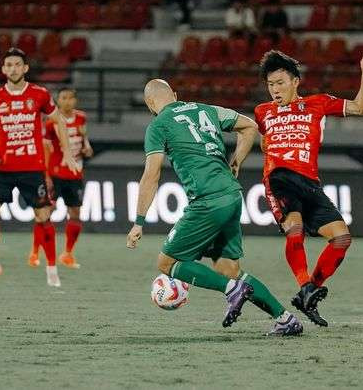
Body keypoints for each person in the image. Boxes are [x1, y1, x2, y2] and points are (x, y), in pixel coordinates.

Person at [126, 79, 303, 336]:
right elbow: (249, 126)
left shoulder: (158, 125)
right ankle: (286, 319)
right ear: (175, 94)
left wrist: (138, 221)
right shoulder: (205, 109)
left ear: (149, 103)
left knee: (167, 262)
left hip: (207, 200)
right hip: (231, 195)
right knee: (228, 269)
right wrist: (236, 162)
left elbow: (151, 175)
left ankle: (231, 290)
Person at [254, 50, 363, 327]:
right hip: (279, 178)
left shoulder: (318, 103)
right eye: (270, 84)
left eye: (280, 82)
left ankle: (308, 292)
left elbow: (360, 107)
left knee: (342, 239)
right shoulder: (262, 112)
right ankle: (305, 284)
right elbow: (262, 142)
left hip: (309, 182)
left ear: (296, 81)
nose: (275, 90)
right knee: (294, 229)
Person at [0, 48, 78, 287]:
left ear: (25, 68)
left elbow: (59, 121)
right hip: (3, 167)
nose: (12, 68)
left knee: (43, 217)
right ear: (3, 70)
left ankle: (52, 270)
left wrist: (69, 153)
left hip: (32, 167)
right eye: (8, 65)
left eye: (17, 64)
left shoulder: (39, 94)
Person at [29, 88, 93, 269]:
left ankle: (67, 254)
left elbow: (84, 140)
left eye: (70, 97)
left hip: (75, 174)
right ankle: (35, 252)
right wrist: (46, 175)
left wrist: (87, 149)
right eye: (63, 98)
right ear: (58, 101)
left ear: (75, 100)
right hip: (56, 174)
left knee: (75, 214)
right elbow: (46, 149)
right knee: (45, 213)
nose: (67, 101)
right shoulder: (51, 122)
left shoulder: (81, 118)